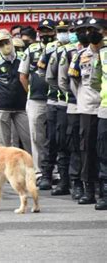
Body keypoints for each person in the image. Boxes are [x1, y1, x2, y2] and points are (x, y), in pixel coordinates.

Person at [69, 18, 103, 205]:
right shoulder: (80, 55)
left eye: (94, 30)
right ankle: (89, 188)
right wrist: (84, 98)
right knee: (87, 149)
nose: (90, 33)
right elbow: (73, 83)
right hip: (88, 107)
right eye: (88, 31)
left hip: (105, 106)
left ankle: (103, 187)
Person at [19, 19, 55, 186]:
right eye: (42, 31)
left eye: (48, 31)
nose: (45, 34)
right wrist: (30, 93)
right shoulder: (31, 49)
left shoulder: (59, 49)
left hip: (57, 99)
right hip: (36, 100)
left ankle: (55, 172)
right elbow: (23, 75)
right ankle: (39, 171)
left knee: (56, 137)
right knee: (36, 136)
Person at [0, 29, 31, 150]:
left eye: (7, 42)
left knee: (28, 140)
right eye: (1, 44)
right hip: (0, 106)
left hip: (22, 105)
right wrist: (2, 94)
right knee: (4, 143)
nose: (5, 46)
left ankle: (33, 167)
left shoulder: (24, 57)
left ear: (11, 40)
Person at [58, 18, 88, 200]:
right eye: (78, 30)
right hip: (75, 106)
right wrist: (79, 97)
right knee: (75, 147)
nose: (82, 34)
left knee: (94, 149)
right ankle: (77, 183)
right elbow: (61, 80)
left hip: (97, 107)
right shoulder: (69, 53)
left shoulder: (102, 52)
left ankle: (96, 185)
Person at [42, 20, 74, 196]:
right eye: (61, 31)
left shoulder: (78, 48)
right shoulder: (53, 49)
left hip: (82, 103)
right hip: (59, 101)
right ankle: (55, 177)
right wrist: (65, 92)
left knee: (75, 143)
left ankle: (75, 180)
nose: (65, 34)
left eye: (68, 30)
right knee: (55, 139)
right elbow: (47, 75)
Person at [90, 18, 107, 210]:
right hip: (105, 109)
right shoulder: (101, 54)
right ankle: (105, 194)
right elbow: (95, 81)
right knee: (103, 153)